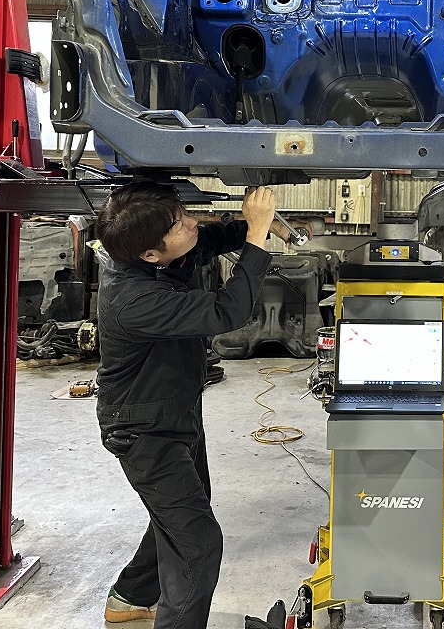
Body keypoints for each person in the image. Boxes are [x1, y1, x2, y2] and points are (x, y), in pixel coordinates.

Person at [92, 181, 303, 627]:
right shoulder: (134, 300)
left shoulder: (156, 256)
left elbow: (206, 241)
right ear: (150, 254)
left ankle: (131, 596)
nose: (192, 222)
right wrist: (257, 236)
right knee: (198, 545)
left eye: (182, 212)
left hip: (174, 411)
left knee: (180, 516)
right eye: (179, 223)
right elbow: (228, 312)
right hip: (144, 432)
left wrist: (258, 227)